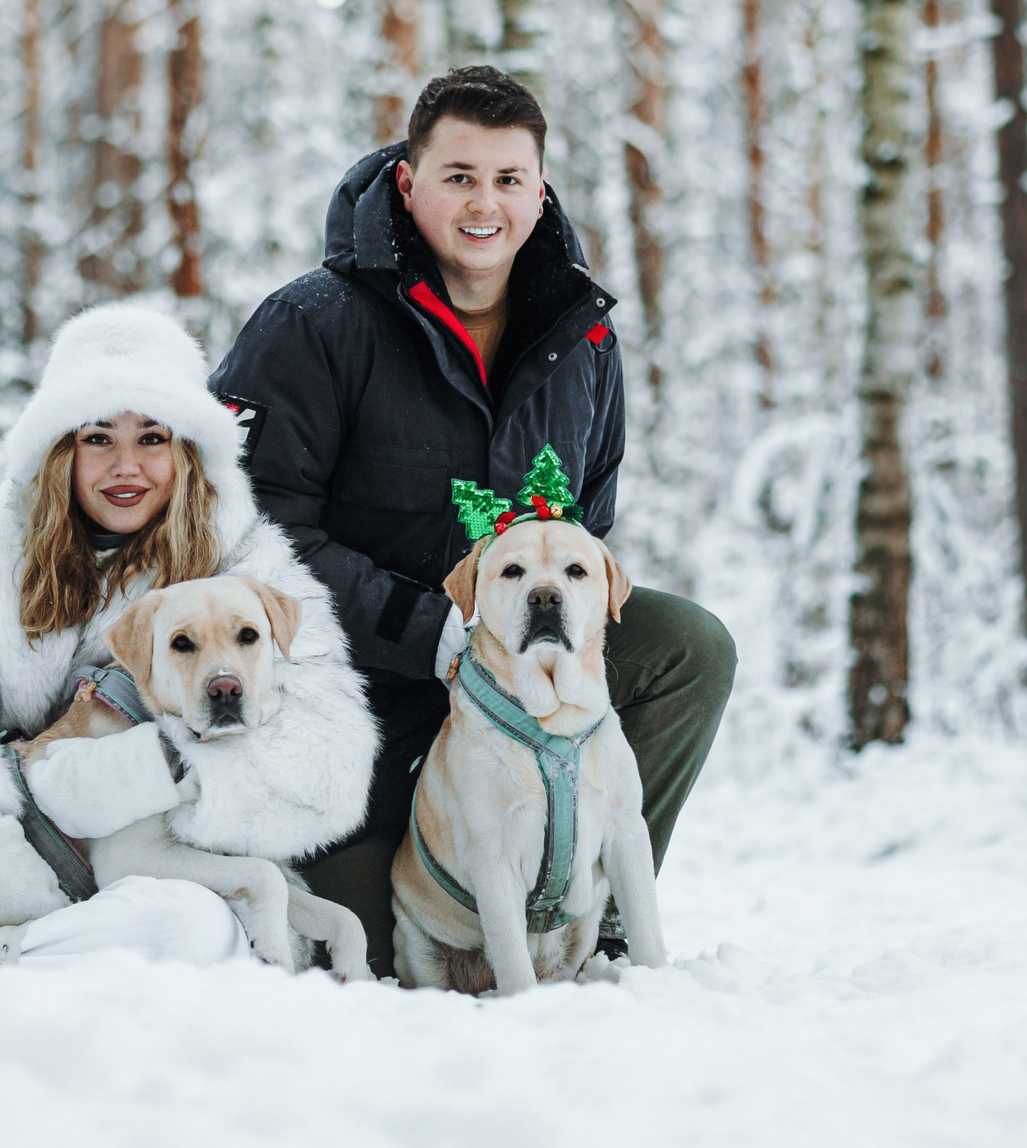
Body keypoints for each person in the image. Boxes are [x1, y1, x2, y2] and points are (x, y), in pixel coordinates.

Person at [209, 64, 738, 973]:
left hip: (515, 671)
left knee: (689, 642)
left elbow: (587, 521)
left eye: (508, 178)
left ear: (540, 192)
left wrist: (529, 638)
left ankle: (591, 905)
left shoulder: (584, 338)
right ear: (409, 185)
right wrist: (431, 631)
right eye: (458, 176)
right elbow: (253, 539)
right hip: (358, 696)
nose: (482, 202)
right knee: (371, 959)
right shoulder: (311, 324)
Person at [0, 299, 378, 963]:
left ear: (185, 453)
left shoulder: (248, 563)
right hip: (17, 854)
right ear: (61, 451)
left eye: (151, 438)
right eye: (98, 439)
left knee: (182, 926)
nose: (126, 467)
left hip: (174, 869)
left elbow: (332, 750)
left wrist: (158, 770)